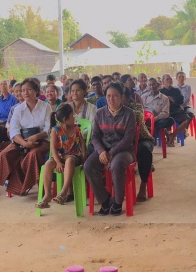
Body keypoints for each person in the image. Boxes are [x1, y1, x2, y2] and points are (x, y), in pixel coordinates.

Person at [85, 82, 136, 216]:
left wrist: (111, 153)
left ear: (121, 97)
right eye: (108, 96)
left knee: (117, 165)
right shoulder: (100, 113)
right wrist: (101, 151)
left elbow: (128, 139)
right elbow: (95, 136)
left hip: (124, 150)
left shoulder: (129, 114)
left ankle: (118, 202)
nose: (111, 99)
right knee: (88, 166)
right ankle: (105, 200)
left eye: (115, 96)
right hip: (104, 149)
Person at [0, 78, 51, 196]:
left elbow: (48, 129)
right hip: (22, 141)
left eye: (29, 89)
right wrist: (24, 143)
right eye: (23, 90)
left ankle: (37, 189)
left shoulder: (45, 107)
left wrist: (36, 137)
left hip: (41, 141)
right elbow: (14, 130)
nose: (25, 93)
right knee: (4, 154)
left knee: (33, 155)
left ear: (36, 91)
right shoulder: (18, 109)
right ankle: (18, 184)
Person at [36, 103, 87, 209]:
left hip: (74, 156)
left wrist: (83, 154)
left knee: (69, 160)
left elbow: (82, 142)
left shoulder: (76, 128)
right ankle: (47, 195)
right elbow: (53, 148)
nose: (74, 117)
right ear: (65, 119)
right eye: (72, 115)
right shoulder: (55, 130)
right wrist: (58, 162)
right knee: (48, 164)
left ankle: (63, 192)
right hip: (60, 156)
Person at [122, 86, 154, 202]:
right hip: (123, 142)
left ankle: (143, 184)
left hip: (141, 139)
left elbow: (138, 115)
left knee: (144, 150)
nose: (114, 98)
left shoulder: (136, 107)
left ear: (127, 97)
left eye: (118, 95)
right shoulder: (110, 109)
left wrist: (120, 112)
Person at [159, 74, 191, 146]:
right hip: (165, 111)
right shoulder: (160, 91)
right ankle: (167, 135)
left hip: (176, 111)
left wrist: (171, 99)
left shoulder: (176, 90)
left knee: (187, 119)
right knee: (159, 121)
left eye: (170, 79)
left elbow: (181, 101)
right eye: (167, 79)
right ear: (163, 82)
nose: (169, 80)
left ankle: (173, 135)